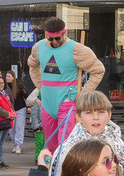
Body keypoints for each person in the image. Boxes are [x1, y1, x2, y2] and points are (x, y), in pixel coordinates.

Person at [28, 17, 104, 152]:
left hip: (67, 102)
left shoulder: (77, 49)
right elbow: (32, 66)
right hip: (47, 103)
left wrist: (82, 94)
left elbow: (98, 70)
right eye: (50, 39)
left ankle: (67, 173)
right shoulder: (38, 47)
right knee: (50, 145)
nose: (54, 42)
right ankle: (52, 172)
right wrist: (40, 86)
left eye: (57, 38)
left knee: (67, 145)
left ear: (64, 33)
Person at [6, 70, 28, 154]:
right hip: (10, 110)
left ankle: (18, 145)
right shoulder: (5, 86)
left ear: (13, 77)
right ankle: (14, 144)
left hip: (20, 108)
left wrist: (29, 105)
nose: (7, 78)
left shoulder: (19, 85)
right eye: (7, 76)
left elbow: (26, 95)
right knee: (11, 128)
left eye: (9, 76)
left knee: (19, 127)